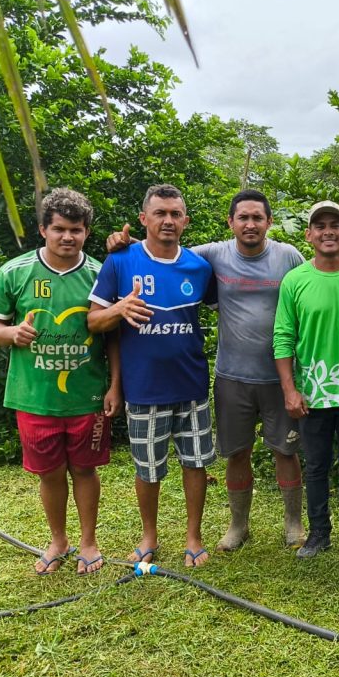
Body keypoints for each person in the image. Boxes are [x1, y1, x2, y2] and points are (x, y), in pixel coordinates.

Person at [107, 190, 307, 551]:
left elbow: (316, 286)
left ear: (269, 222)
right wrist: (127, 243)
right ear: (229, 222)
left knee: (286, 451)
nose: (250, 224)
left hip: (282, 376)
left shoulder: (288, 256)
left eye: (257, 218)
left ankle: (294, 523)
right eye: (242, 218)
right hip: (232, 376)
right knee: (236, 453)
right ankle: (238, 525)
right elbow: (165, 254)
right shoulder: (211, 255)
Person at [0, 188, 121, 576]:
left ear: (87, 232)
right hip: (34, 396)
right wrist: (11, 335)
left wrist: (114, 386)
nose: (67, 237)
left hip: (87, 395)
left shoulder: (99, 274)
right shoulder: (14, 272)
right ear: (43, 229)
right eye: (59, 229)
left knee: (85, 470)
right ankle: (58, 539)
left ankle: (89, 542)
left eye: (76, 230)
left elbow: (112, 337)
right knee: (50, 473)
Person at [88, 184, 216, 568]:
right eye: (160, 213)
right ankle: (149, 535)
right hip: (143, 387)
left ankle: (193, 536)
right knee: (148, 467)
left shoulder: (199, 266)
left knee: (195, 463)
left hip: (192, 384)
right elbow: (93, 321)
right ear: (144, 218)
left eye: (176, 214)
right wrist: (119, 309)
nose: (168, 221)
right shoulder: (120, 261)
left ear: (186, 221)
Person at [273, 200, 339, 561]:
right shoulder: (295, 280)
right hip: (312, 395)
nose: (328, 231)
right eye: (320, 226)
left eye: (335, 225)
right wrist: (290, 389)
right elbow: (283, 336)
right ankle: (318, 533)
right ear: (309, 235)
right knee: (315, 467)